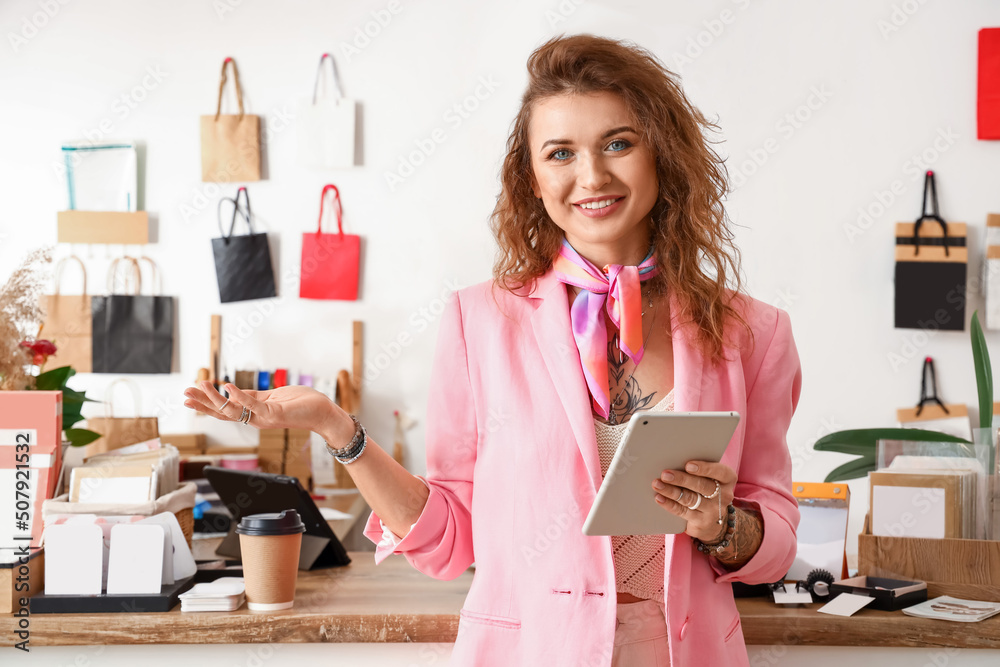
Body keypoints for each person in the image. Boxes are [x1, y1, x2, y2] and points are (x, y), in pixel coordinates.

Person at [183, 33, 802, 667]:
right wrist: (334, 426)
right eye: (560, 153)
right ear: (533, 178)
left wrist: (727, 526)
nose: (591, 176)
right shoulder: (478, 320)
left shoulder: (753, 333)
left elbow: (776, 533)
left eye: (619, 143)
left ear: (661, 157)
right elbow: (448, 539)